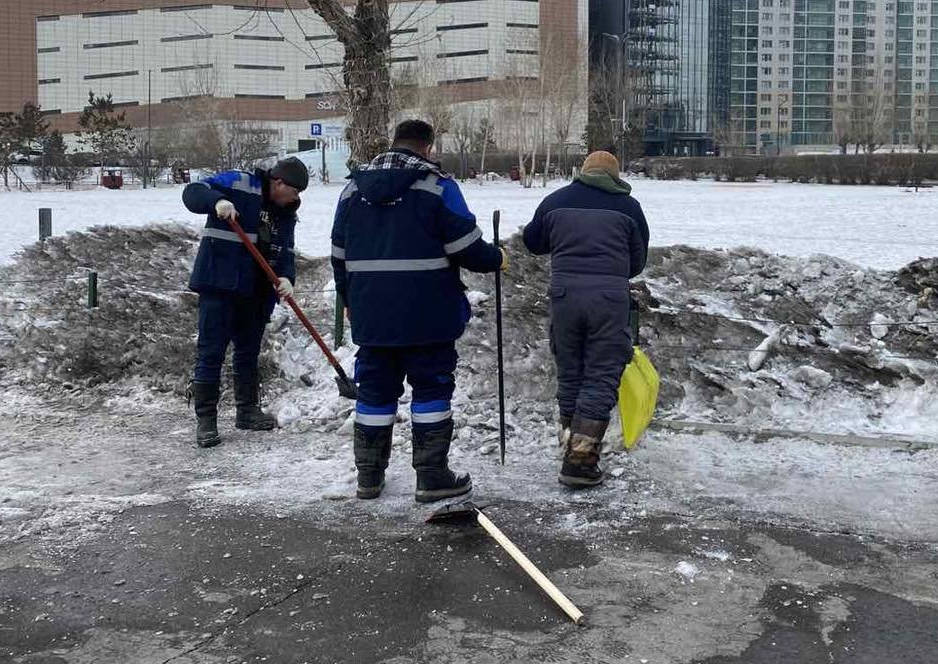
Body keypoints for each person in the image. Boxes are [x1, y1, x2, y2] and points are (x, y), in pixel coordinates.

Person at [331, 119, 504, 503]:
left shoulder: (352, 189)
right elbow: (465, 247)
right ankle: (431, 476)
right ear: (427, 147)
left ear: (394, 142)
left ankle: (369, 477)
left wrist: (349, 299)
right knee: (431, 386)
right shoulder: (437, 186)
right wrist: (497, 258)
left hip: (372, 311)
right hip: (428, 311)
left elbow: (338, 254)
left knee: (375, 388)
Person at [522, 150, 650, 489]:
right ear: (615, 176)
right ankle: (580, 460)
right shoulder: (628, 207)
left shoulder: (555, 201)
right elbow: (637, 262)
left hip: (564, 297)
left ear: (583, 171)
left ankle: (571, 443)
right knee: (601, 374)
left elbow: (533, 242)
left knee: (571, 372)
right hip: (609, 300)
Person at [183, 156, 308, 448]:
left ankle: (247, 410)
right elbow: (192, 192)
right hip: (220, 284)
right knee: (211, 353)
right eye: (294, 190)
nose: (296, 198)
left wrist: (286, 277)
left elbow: (286, 250)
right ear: (279, 182)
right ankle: (206, 421)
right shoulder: (239, 183)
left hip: (258, 292)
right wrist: (216, 201)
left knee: (248, 353)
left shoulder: (285, 213)